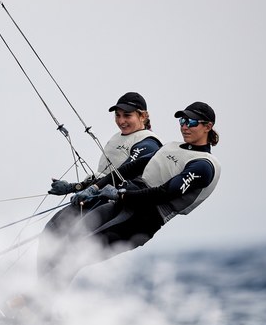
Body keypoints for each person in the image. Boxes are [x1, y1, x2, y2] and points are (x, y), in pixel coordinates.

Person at [38, 101, 221, 292]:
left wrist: (122, 195)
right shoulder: (171, 147)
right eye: (182, 120)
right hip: (124, 200)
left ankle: (34, 304)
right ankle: (40, 303)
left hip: (144, 218)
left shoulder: (203, 165)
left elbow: (165, 193)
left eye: (191, 122)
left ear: (208, 126)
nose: (184, 126)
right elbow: (129, 169)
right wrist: (92, 188)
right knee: (68, 239)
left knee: (79, 253)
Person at [48, 91, 161, 196]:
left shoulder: (148, 142)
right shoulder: (117, 137)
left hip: (116, 203)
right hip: (97, 194)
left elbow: (121, 175)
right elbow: (105, 176)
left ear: (142, 116)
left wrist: (78, 188)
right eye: (117, 115)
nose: (121, 121)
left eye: (127, 115)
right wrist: (74, 187)